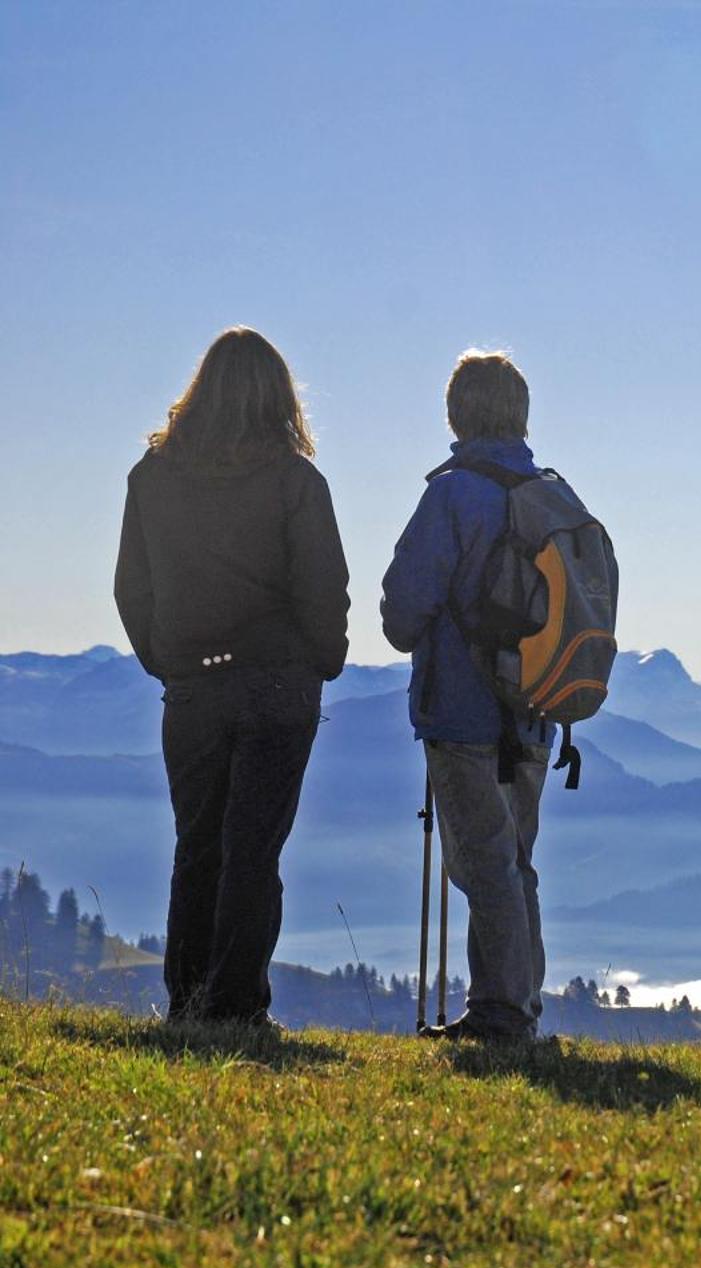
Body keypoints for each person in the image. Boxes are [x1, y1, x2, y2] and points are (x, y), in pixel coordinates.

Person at [114, 327, 350, 1027]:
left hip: (192, 687)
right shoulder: (295, 480)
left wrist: (169, 660)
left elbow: (133, 588)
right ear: (279, 396)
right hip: (278, 684)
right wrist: (322, 659)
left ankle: (187, 999)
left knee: (198, 843)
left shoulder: (151, 476)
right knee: (253, 849)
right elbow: (322, 584)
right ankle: (236, 1004)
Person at [381, 350, 557, 1042]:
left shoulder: (451, 495)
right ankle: (517, 1002)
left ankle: (502, 1013)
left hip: (461, 710)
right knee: (514, 861)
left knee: (484, 863)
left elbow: (402, 612)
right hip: (536, 712)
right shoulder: (550, 497)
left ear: (457, 413)